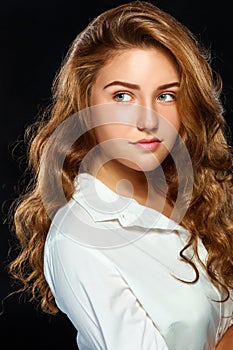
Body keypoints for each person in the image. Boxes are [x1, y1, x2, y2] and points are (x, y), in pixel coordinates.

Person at [7, 1, 233, 349]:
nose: (148, 120)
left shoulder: (195, 196)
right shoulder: (79, 239)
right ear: (85, 102)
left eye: (166, 95)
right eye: (123, 96)